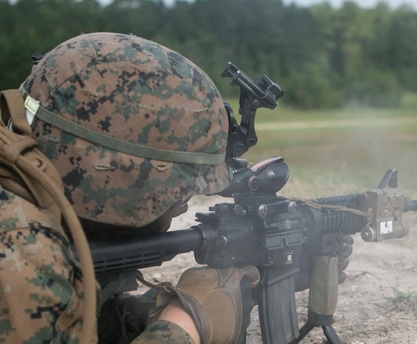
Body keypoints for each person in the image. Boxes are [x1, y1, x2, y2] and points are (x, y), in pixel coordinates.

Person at [0, 32, 258, 344]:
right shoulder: (23, 252)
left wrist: (130, 315)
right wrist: (184, 324)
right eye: (177, 197)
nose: (182, 207)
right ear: (118, 188)